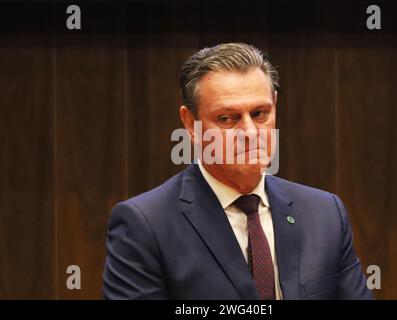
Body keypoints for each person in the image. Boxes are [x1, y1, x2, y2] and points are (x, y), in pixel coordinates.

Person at [103, 43, 373, 300]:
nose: (250, 133)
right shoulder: (145, 225)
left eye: (259, 114)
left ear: (275, 106)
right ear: (190, 123)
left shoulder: (326, 213)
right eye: (227, 118)